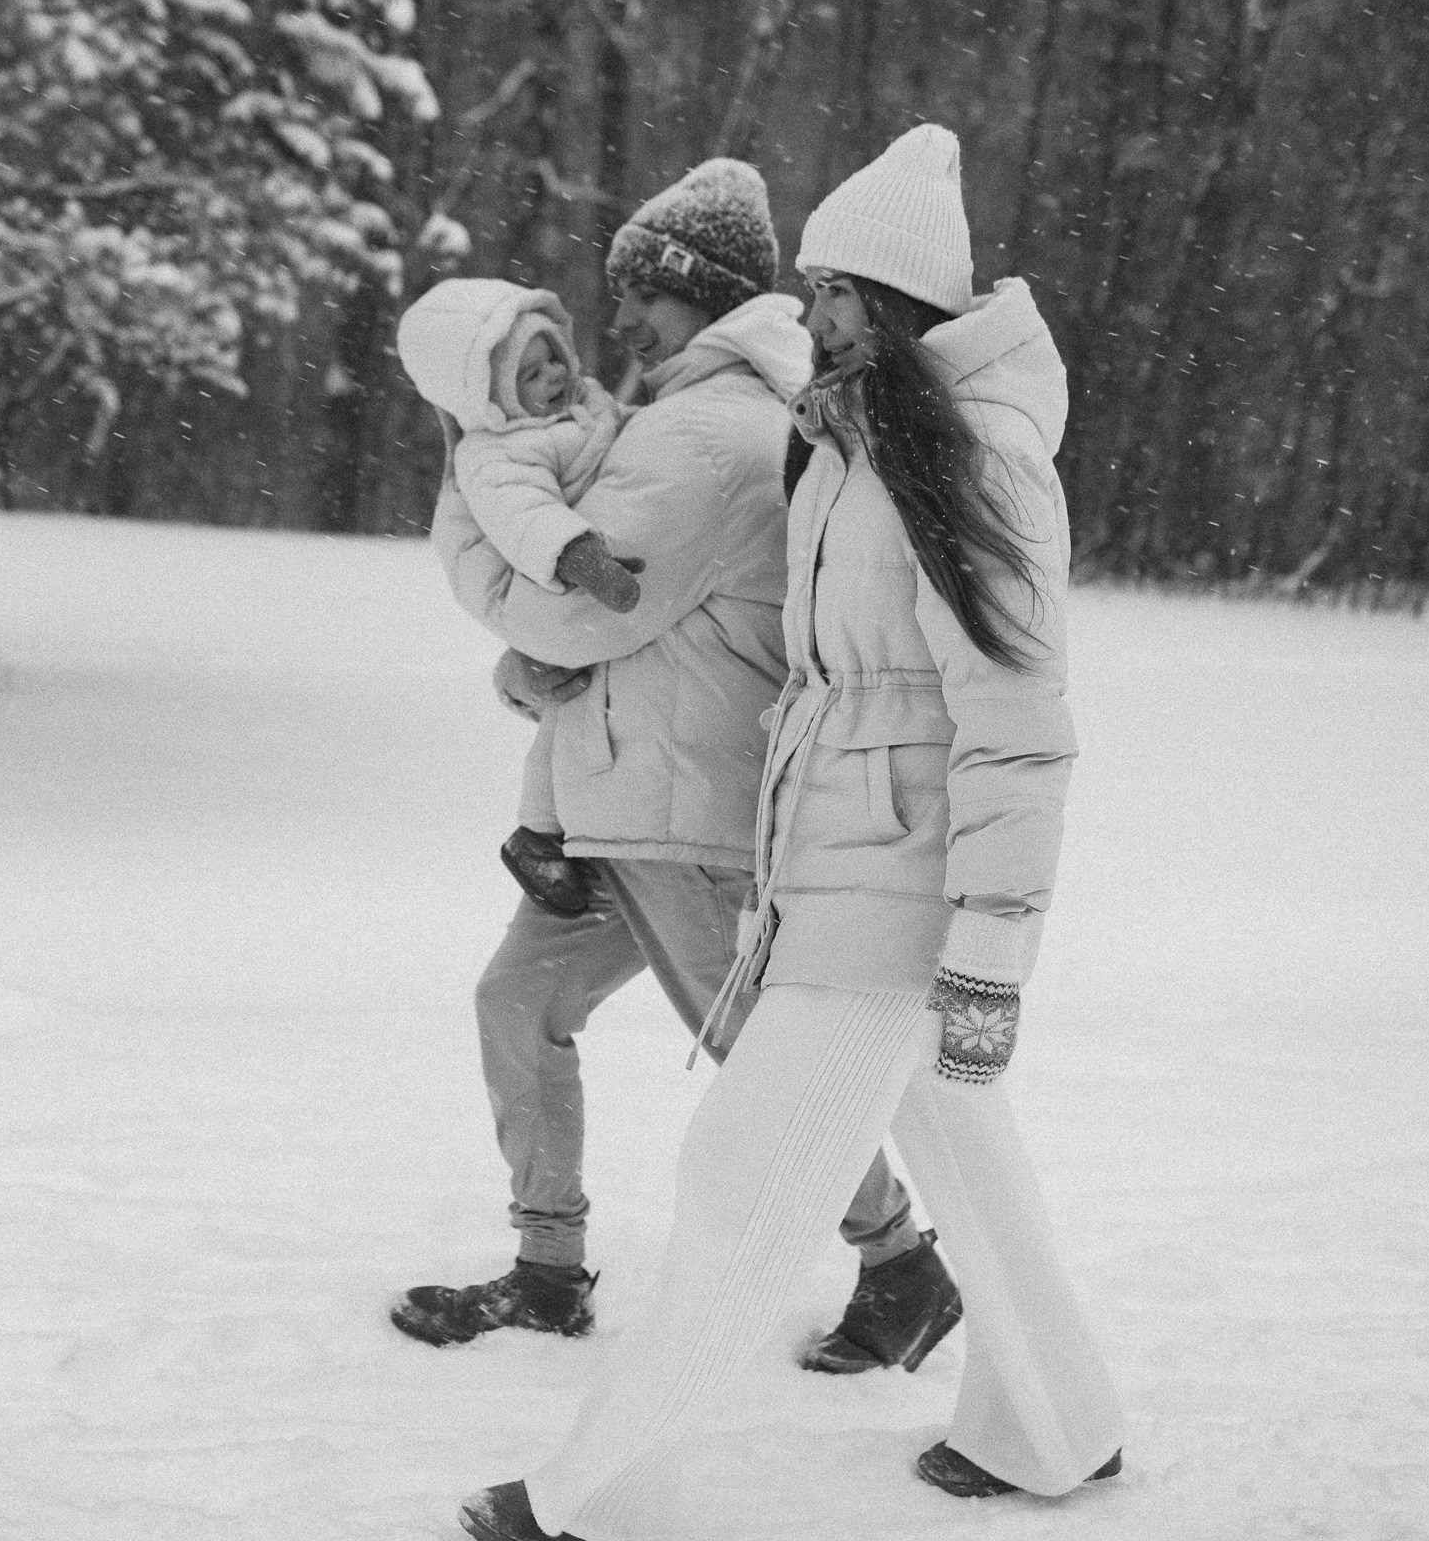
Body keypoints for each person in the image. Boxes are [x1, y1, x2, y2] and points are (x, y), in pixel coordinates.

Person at [457, 125, 1125, 1541]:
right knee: (966, 1161)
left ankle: (600, 1500)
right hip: (839, 870)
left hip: (902, 890)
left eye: (827, 294)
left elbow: (1017, 717)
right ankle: (1056, 1431)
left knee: (742, 1184)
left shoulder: (981, 462)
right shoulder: (862, 447)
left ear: (886, 305)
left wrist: (993, 947)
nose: (804, 314)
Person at [395, 158, 959, 1377]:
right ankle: (548, 1270)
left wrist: (468, 531)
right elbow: (577, 633)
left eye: (644, 297)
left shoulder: (708, 433)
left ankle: (902, 1263)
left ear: (698, 295)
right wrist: (529, 668)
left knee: (760, 1048)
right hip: (621, 786)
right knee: (519, 1002)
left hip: (684, 800)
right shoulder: (677, 413)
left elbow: (577, 610)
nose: (624, 324)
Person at [394, 277, 645, 916]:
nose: (555, 375)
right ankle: (538, 833)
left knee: (571, 705)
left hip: (558, 582)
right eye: (530, 374)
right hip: (542, 571)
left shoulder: (581, 406)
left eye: (553, 355)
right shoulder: (496, 452)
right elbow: (524, 515)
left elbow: (627, 429)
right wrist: (583, 558)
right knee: (564, 712)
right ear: (491, 397)